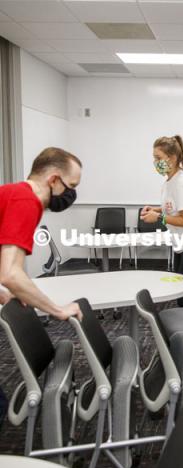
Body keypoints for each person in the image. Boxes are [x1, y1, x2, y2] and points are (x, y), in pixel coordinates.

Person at [0, 146, 83, 430]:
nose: (72, 194)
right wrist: (57, 309)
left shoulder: (12, 193)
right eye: (71, 186)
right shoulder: (27, 201)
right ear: (54, 180)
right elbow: (11, 273)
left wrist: (5, 292)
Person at [141, 135, 183, 307]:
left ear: (171, 158)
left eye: (158, 158)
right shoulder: (170, 181)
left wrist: (158, 217)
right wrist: (156, 209)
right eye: (154, 158)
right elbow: (175, 208)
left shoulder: (181, 183)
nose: (155, 162)